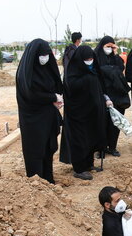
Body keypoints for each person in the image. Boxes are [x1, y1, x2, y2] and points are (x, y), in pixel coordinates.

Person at [59, 45, 111, 180]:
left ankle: (89, 164)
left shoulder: (94, 71)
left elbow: (101, 87)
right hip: (78, 115)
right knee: (80, 141)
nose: (90, 61)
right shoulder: (72, 72)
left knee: (92, 138)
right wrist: (88, 80)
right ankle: (79, 168)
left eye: (91, 58)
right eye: (86, 59)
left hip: (92, 114)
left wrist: (105, 98)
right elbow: (72, 89)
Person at [15, 39, 64, 184]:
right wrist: (52, 97)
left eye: (47, 54)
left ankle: (48, 179)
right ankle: (37, 182)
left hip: (48, 116)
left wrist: (57, 98)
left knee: (48, 149)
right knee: (35, 151)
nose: (45, 57)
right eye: (41, 55)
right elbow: (30, 93)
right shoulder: (25, 73)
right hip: (33, 119)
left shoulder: (47, 68)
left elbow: (56, 84)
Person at [95, 36, 131, 157]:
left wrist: (115, 54)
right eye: (107, 46)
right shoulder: (96, 57)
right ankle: (101, 148)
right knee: (102, 123)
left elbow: (121, 68)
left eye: (112, 46)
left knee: (115, 122)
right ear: (102, 46)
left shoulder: (116, 58)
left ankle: (112, 147)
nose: (110, 49)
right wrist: (111, 70)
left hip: (116, 94)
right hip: (102, 93)